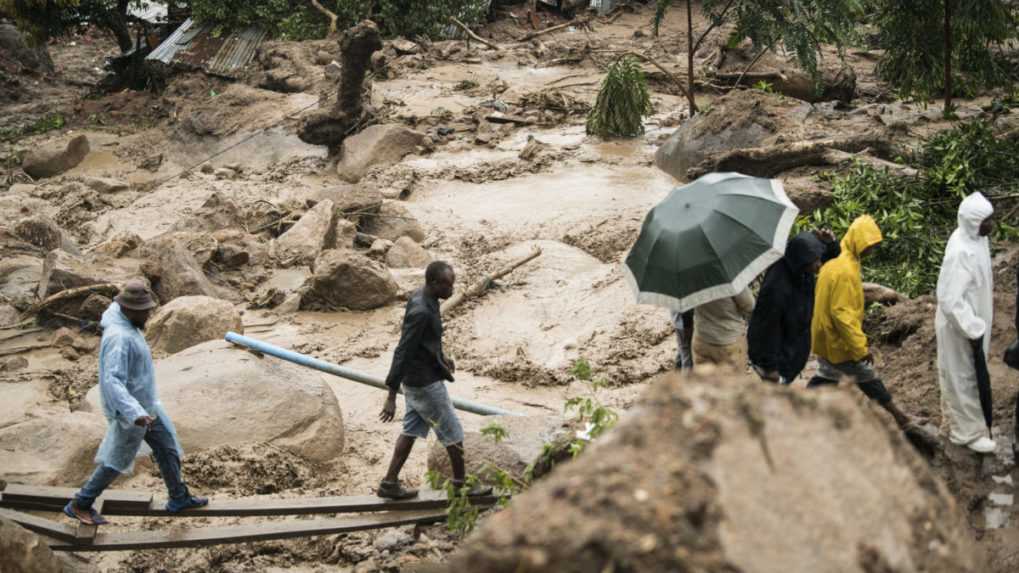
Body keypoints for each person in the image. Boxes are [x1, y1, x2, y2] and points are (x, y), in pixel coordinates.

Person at [64, 280, 207, 525]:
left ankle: (178, 497)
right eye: (144, 311)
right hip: (130, 410)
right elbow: (112, 381)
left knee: (167, 447)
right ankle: (80, 503)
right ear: (129, 310)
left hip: (147, 405)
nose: (148, 314)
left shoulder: (126, 323)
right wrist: (134, 412)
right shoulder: (119, 338)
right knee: (117, 459)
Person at [377, 261, 492, 499]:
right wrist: (391, 394)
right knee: (453, 431)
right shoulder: (421, 311)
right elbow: (403, 350)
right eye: (449, 285)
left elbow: (426, 341)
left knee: (410, 431)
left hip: (418, 379)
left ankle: (389, 483)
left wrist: (442, 357)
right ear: (434, 283)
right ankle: (462, 485)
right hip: (424, 383)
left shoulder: (426, 298)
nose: (452, 290)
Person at [808, 216, 917, 431]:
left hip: (825, 334)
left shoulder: (839, 262)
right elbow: (842, 314)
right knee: (867, 377)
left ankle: (795, 406)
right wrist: (860, 347)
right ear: (858, 241)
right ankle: (902, 418)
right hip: (837, 339)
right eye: (869, 246)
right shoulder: (845, 271)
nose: (871, 251)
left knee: (827, 375)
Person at [936, 192, 996, 453]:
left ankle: (954, 421)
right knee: (964, 377)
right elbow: (949, 299)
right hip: (960, 326)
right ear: (973, 222)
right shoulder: (961, 251)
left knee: (966, 374)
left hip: (973, 321)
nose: (991, 225)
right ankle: (967, 433)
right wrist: (972, 328)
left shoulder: (976, 239)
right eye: (986, 221)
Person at [748, 229, 840, 384]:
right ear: (802, 260)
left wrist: (830, 243)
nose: (819, 265)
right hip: (776, 362)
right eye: (815, 261)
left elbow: (829, 257)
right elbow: (766, 329)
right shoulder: (776, 288)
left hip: (791, 351)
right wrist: (770, 368)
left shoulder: (799, 267)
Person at [691, 287, 755, 368]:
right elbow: (749, 305)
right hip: (728, 340)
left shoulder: (693, 279)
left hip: (701, 338)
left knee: (704, 379)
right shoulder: (730, 280)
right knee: (732, 379)